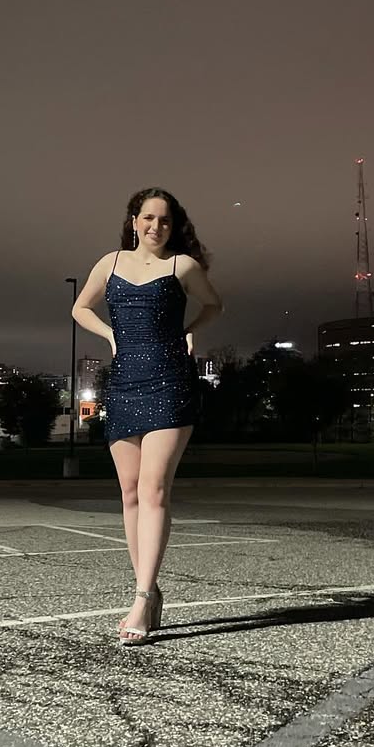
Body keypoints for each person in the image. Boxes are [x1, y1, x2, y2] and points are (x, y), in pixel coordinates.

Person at [71, 188, 223, 646]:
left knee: (155, 489)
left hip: (170, 381)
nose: (156, 226)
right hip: (124, 385)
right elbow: (80, 308)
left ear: (174, 227)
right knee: (131, 492)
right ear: (134, 221)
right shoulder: (110, 263)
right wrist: (111, 335)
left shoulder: (183, 267)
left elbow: (214, 304)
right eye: (149, 218)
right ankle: (150, 591)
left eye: (165, 220)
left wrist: (190, 332)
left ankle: (140, 597)